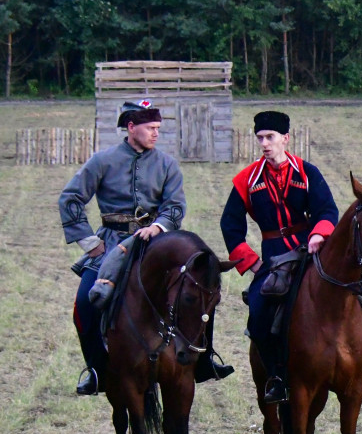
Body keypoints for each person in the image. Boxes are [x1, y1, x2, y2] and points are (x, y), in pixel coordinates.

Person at [221, 110, 362, 404]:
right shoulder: (246, 179)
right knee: (259, 311)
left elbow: (327, 211)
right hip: (273, 257)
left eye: (270, 137)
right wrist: (250, 261)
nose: (265, 144)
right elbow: (230, 224)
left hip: (312, 248)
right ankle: (277, 378)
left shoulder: (307, 173)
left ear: (285, 139)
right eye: (260, 138)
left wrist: (319, 233)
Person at [59, 100, 233, 395]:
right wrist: (91, 244)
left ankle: (205, 361)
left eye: (158, 128)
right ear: (131, 127)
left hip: (159, 246)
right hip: (112, 245)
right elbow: (70, 199)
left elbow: (175, 205)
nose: (155, 134)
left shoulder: (167, 164)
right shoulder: (102, 161)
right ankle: (96, 369)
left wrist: (160, 226)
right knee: (85, 304)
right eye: (150, 128)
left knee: (201, 294)